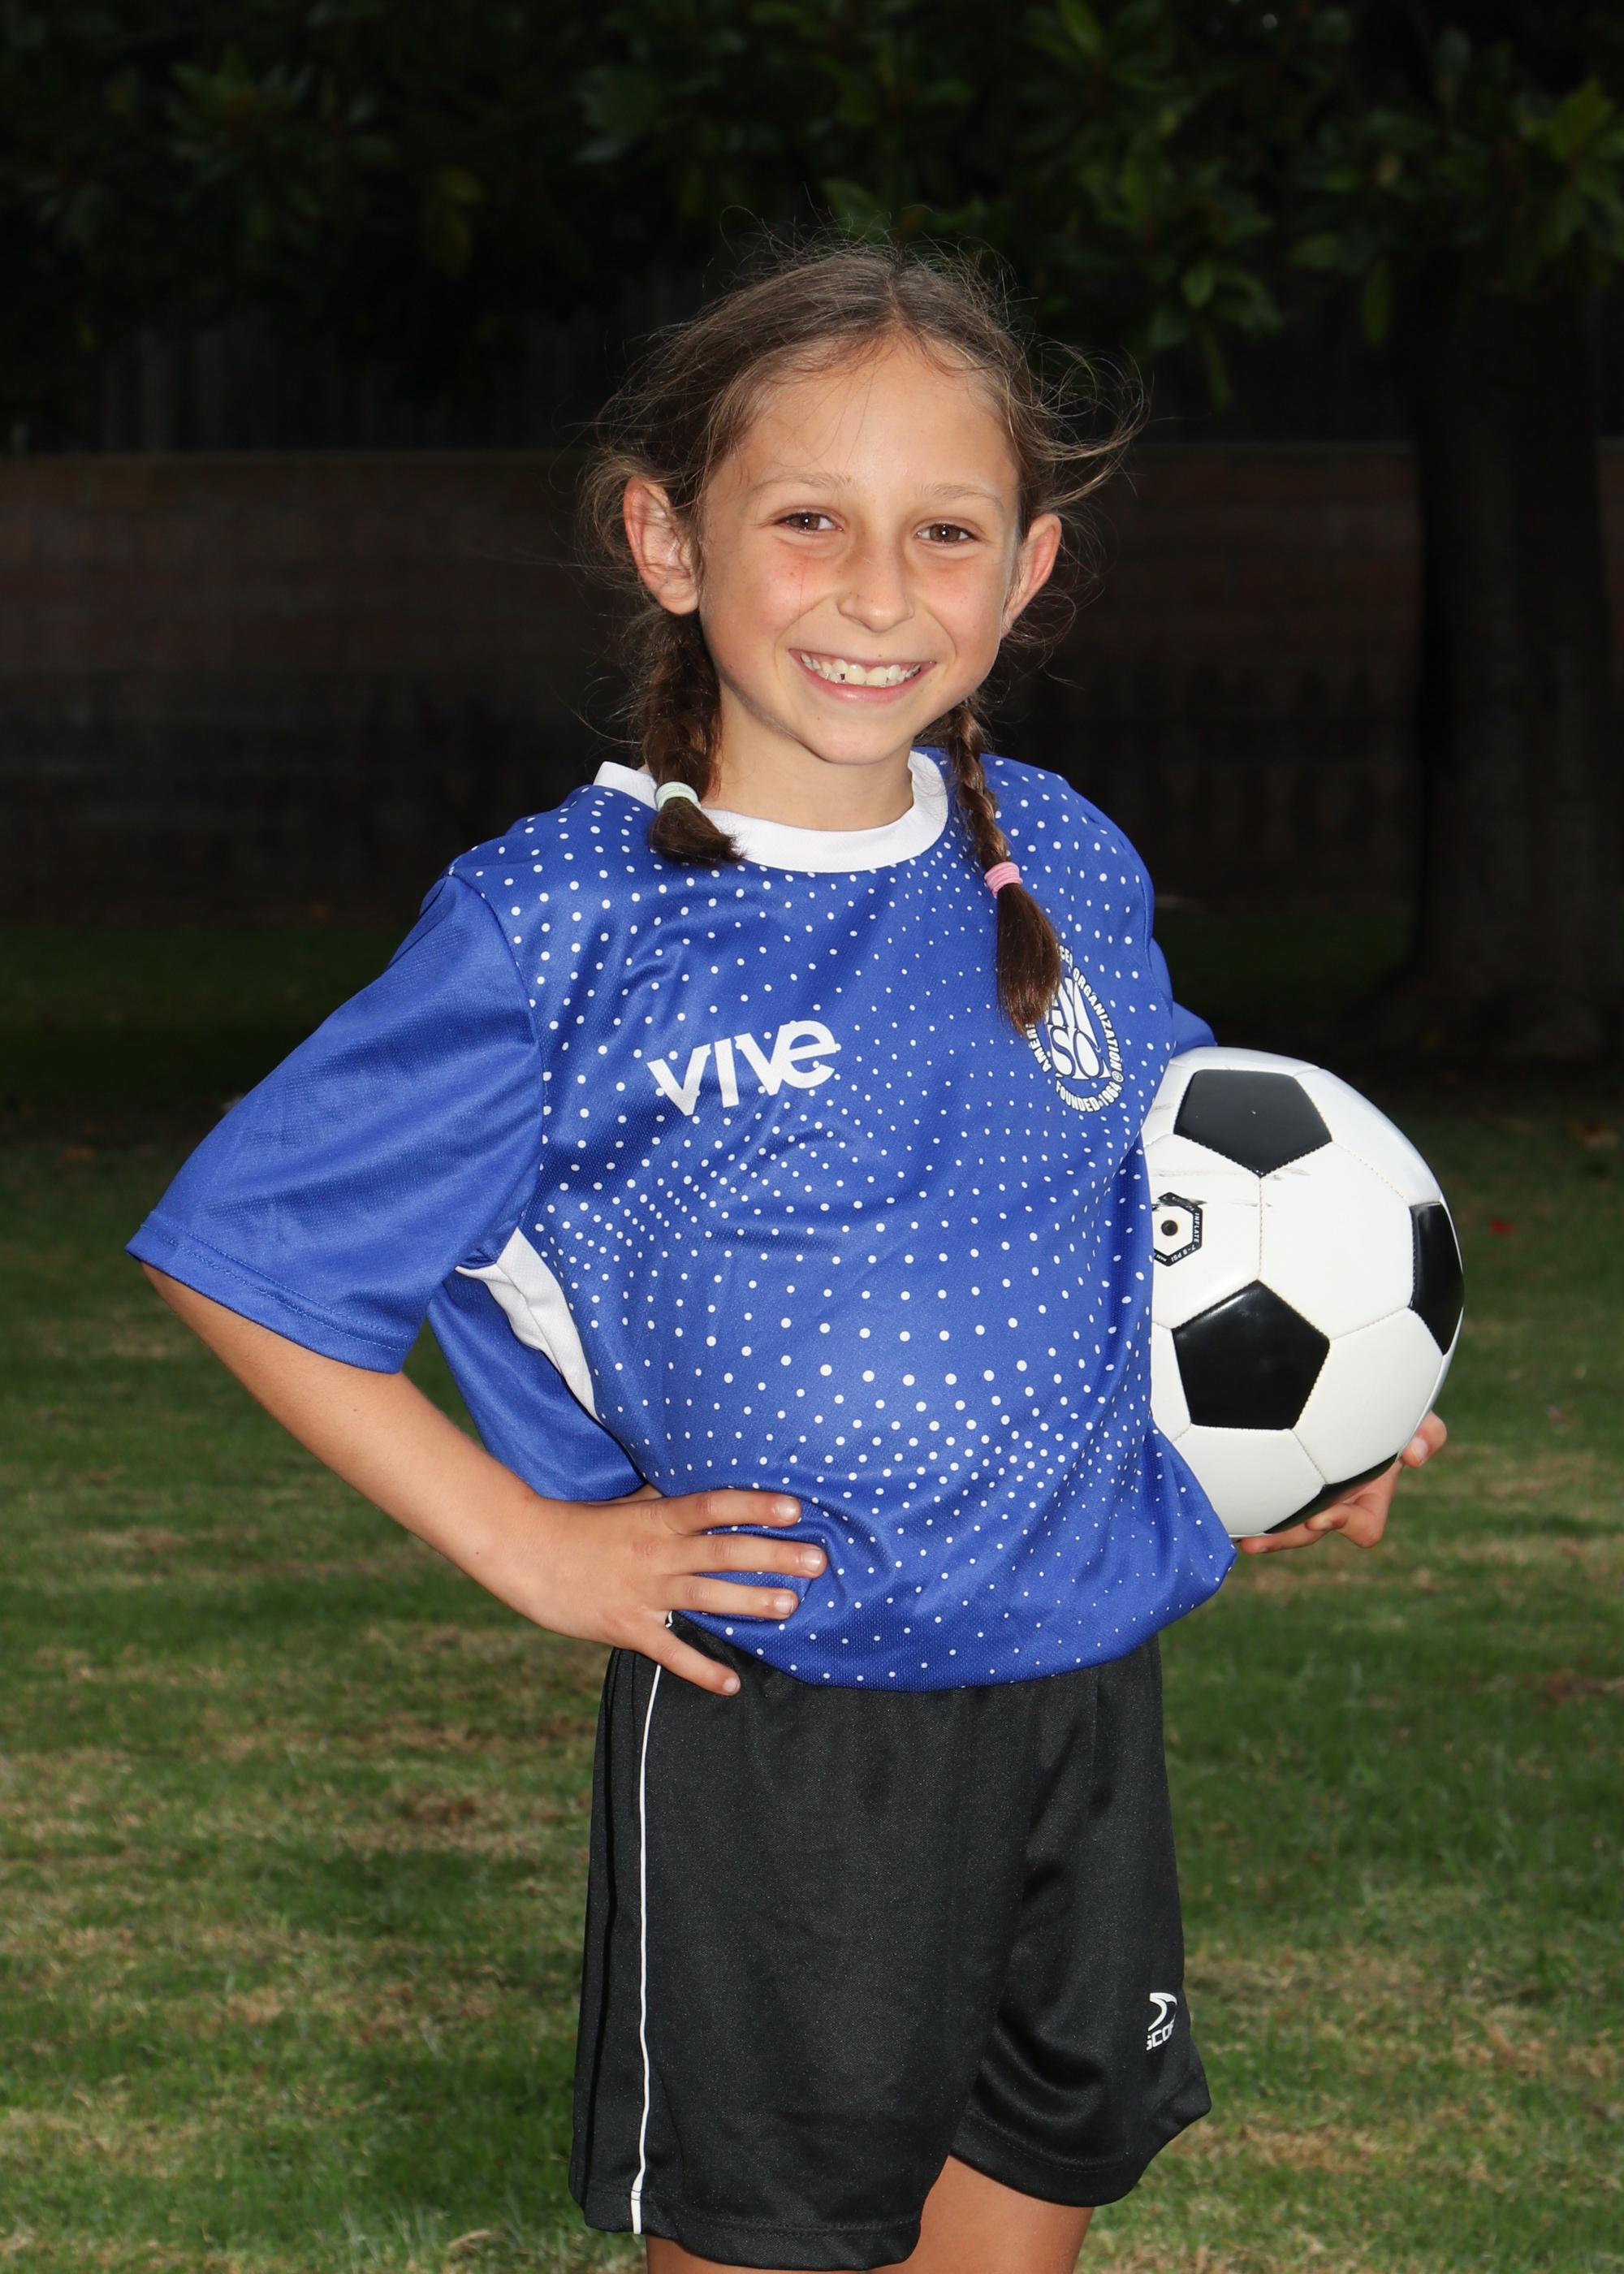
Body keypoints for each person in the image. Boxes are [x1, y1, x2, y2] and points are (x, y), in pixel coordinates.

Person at [130, 245, 1443, 2274]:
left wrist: (1308, 1429)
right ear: (668, 540)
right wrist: (527, 1544)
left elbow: (1169, 1199)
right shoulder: (564, 922)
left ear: (1029, 569)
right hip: (790, 1726)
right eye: (808, 520)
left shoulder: (1062, 857)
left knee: (1018, 2224)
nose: (877, 592)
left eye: (947, 532)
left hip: (1079, 1700)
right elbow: (243, 1252)